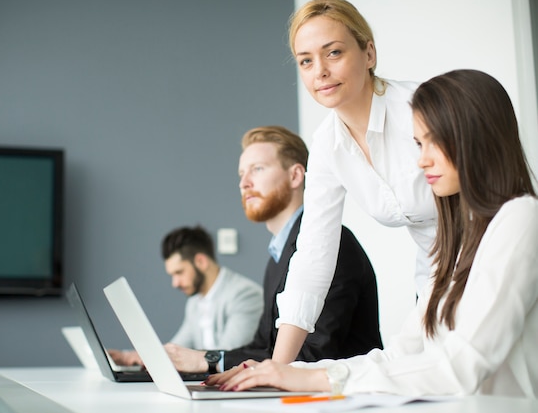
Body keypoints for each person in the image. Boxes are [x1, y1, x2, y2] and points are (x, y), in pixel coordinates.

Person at [207, 69, 538, 398]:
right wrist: (285, 372)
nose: (422, 161)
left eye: (433, 141)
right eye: (418, 144)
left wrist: (317, 379)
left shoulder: (520, 219)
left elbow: (461, 367)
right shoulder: (456, 241)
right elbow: (402, 355)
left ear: (477, 136)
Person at [271, 0, 438, 365]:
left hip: (492, 263)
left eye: (333, 53)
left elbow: (494, 200)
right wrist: (277, 368)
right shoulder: (328, 146)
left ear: (369, 53)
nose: (320, 72)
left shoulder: (424, 107)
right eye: (306, 61)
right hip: (431, 282)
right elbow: (313, 256)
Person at [163, 126, 382, 374]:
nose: (244, 183)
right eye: (241, 174)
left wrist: (209, 362)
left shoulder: (331, 244)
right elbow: (264, 348)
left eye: (257, 169)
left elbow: (312, 355)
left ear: (295, 176)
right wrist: (204, 358)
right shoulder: (277, 257)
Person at [108, 225, 263, 366]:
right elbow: (178, 347)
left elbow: (228, 356)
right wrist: (131, 356)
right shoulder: (195, 302)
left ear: (201, 261)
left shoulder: (245, 295)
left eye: (179, 272)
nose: (175, 283)